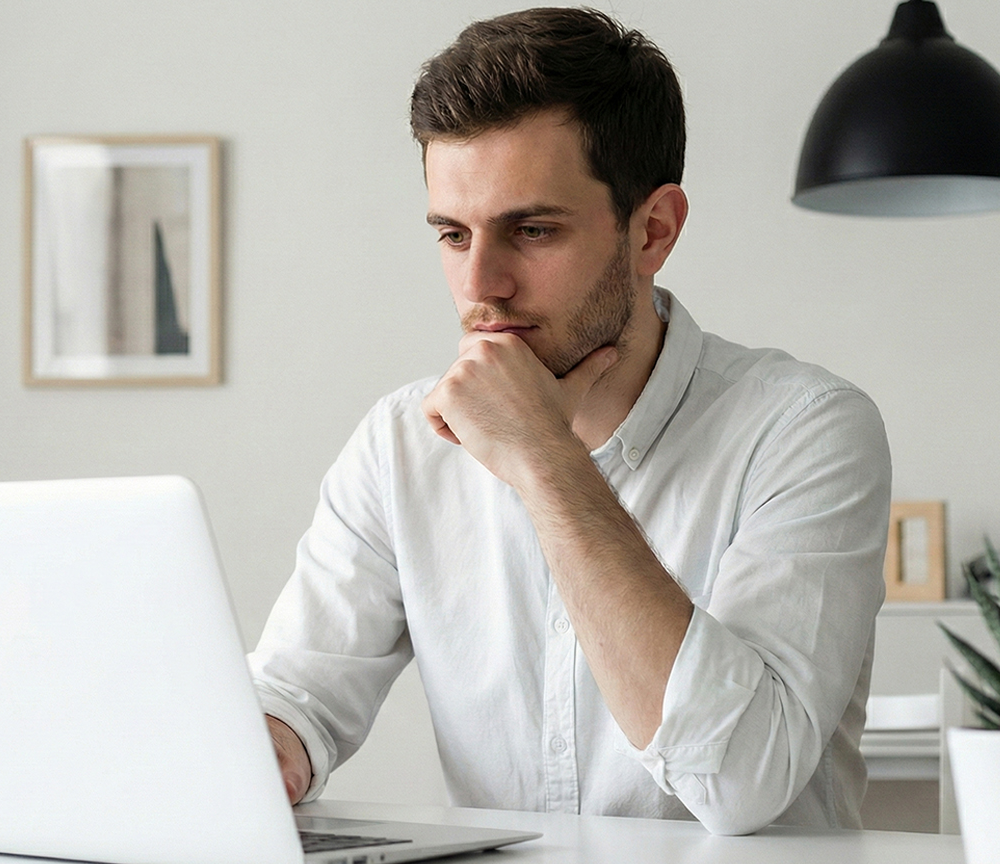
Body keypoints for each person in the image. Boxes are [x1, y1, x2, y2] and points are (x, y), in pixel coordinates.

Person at [248, 7, 891, 836]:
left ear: (652, 230)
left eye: (534, 230)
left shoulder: (806, 430)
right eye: (452, 233)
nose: (482, 285)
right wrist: (268, 745)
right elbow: (298, 693)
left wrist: (544, 460)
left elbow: (739, 781)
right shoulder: (399, 444)